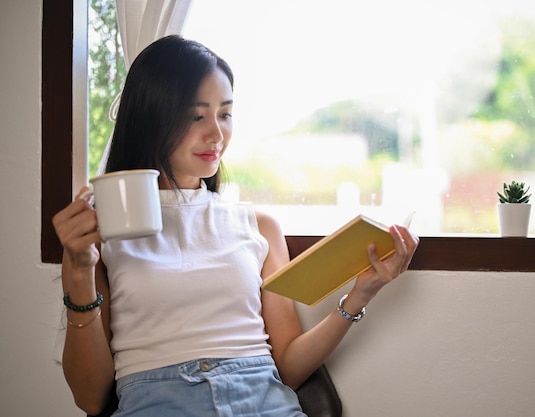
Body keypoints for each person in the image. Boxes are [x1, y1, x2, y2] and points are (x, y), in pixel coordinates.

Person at [52, 35, 419, 417]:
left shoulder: (259, 227)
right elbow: (89, 397)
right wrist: (78, 269)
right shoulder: (99, 237)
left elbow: (289, 369)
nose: (216, 134)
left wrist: (361, 294)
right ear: (151, 118)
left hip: (265, 402)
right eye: (196, 116)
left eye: (224, 114)